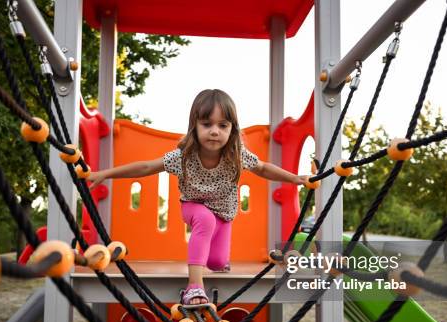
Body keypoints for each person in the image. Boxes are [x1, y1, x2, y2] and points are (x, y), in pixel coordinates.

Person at [88, 89, 309, 305]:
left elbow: (263, 168)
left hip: (224, 212)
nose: (215, 131)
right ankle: (194, 287)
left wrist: (295, 178)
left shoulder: (236, 154)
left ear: (232, 129)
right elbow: (146, 167)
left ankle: (218, 262)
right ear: (194, 125)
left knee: (217, 261)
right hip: (193, 206)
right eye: (207, 124)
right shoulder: (183, 156)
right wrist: (105, 174)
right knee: (205, 219)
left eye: (222, 125)